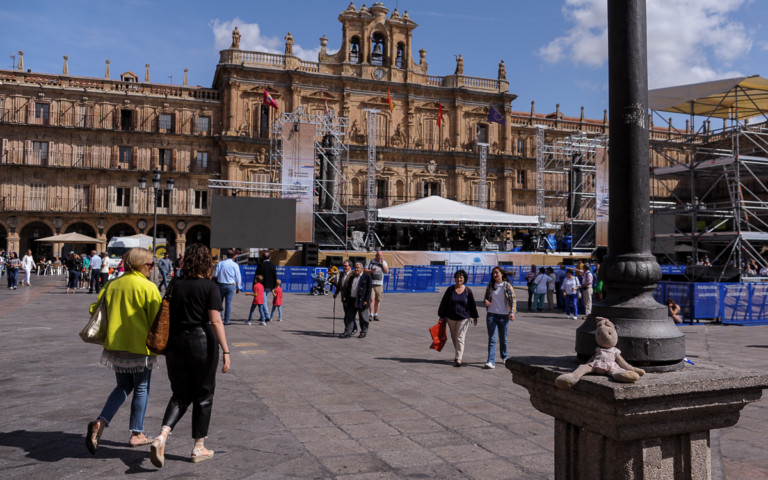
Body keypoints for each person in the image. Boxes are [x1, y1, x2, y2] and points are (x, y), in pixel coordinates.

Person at [149, 243, 230, 468]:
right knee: (204, 395)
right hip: (201, 342)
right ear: (206, 262)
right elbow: (215, 320)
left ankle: (162, 436)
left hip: (175, 343)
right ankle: (198, 447)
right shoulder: (209, 287)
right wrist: (226, 350)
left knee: (180, 394)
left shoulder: (175, 283)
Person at [85, 247, 162, 455]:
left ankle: (100, 423)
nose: (151, 268)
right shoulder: (148, 287)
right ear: (140, 264)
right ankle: (137, 434)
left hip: (116, 347)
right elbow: (158, 318)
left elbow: (94, 308)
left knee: (123, 386)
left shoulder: (112, 284)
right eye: (149, 264)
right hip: (140, 347)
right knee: (141, 387)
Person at [437, 269, 479, 367]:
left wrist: (475, 316)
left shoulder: (468, 290)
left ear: (464, 279)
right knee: (454, 337)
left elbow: (472, 304)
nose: (459, 279)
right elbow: (444, 303)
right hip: (451, 317)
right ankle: (457, 354)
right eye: (457, 277)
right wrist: (441, 316)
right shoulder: (450, 290)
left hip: (464, 318)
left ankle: (458, 358)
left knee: (460, 337)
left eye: (461, 277)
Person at [482, 267, 516, 369]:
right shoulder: (491, 285)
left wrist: (512, 312)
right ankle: (490, 361)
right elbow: (486, 298)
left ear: (501, 274)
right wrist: (486, 302)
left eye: (496, 273)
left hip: (504, 316)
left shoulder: (507, 286)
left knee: (503, 339)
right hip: (491, 315)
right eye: (493, 273)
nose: (495, 275)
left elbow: (513, 299)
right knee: (492, 339)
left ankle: (504, 356)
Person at [339, 262, 371, 338]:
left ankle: (363, 332)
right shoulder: (352, 277)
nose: (356, 269)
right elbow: (349, 289)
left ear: (362, 269)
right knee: (349, 317)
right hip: (351, 300)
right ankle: (348, 332)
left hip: (361, 301)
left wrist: (366, 300)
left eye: (358, 268)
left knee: (363, 318)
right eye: (355, 268)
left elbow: (369, 290)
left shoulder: (366, 277)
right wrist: (346, 299)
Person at [213, 249, 242, 325]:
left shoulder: (221, 263)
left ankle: (219, 318)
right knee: (228, 303)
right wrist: (239, 287)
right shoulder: (235, 265)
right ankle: (227, 320)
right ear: (233, 256)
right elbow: (238, 276)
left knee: (220, 303)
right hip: (231, 285)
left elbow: (215, 274)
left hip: (221, 284)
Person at [334, 261, 357, 335]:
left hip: (351, 298)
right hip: (344, 298)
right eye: (344, 266)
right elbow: (339, 285)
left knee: (348, 315)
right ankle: (351, 328)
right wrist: (336, 293)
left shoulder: (353, 274)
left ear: (350, 266)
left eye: (346, 266)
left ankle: (350, 329)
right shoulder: (341, 274)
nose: (345, 267)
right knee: (347, 313)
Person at [366, 251, 389, 321]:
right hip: (371, 283)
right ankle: (371, 314)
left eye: (382, 256)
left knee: (377, 300)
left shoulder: (384, 262)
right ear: (376, 256)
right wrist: (371, 271)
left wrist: (382, 264)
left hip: (379, 284)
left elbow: (387, 271)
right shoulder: (370, 261)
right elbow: (365, 271)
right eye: (379, 256)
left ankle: (376, 314)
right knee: (371, 299)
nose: (381, 257)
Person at [256, 251, 277, 318]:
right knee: (264, 299)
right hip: (269, 285)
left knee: (263, 301)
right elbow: (274, 276)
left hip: (261, 285)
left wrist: (254, 285)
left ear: (262, 257)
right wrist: (274, 286)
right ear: (270, 257)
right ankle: (262, 316)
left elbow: (256, 276)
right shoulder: (272, 265)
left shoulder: (261, 265)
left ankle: (267, 316)